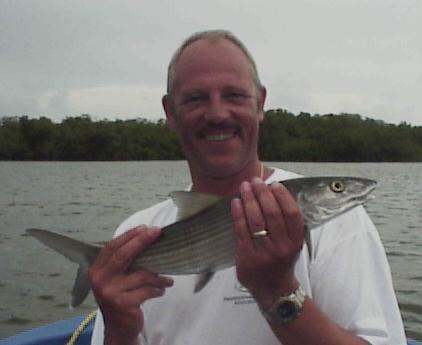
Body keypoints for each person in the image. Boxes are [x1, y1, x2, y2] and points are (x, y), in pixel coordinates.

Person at [89, 30, 406, 345]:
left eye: (234, 95)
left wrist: (277, 290)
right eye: (197, 98)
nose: (217, 113)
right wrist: (119, 332)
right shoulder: (134, 235)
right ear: (170, 112)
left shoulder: (341, 223)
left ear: (261, 103)